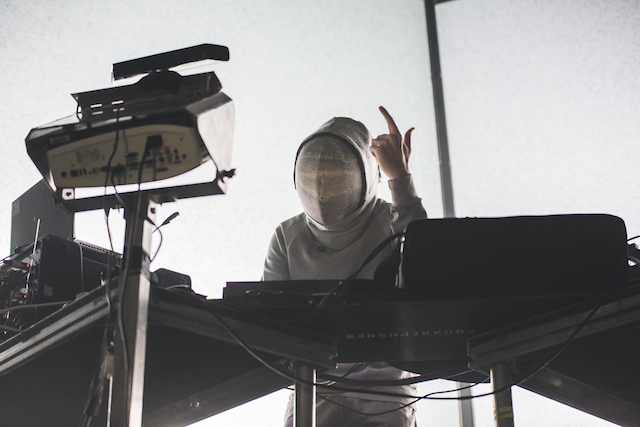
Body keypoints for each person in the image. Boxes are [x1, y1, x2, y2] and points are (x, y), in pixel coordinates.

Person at [262, 106, 427, 426]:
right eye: (315, 177)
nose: (323, 189)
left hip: (386, 394)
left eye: (337, 176)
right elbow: (269, 323)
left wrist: (400, 179)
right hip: (311, 392)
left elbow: (425, 266)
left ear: (366, 174)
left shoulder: (391, 220)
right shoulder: (288, 236)